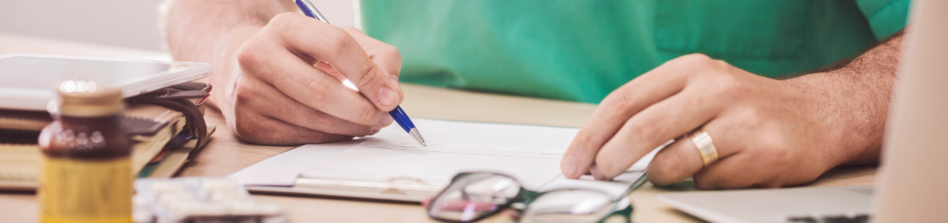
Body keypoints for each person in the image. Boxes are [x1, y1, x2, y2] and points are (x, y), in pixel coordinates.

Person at [163, 0, 910, 189]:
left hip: (717, 188)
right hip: (402, 179)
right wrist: (234, 56)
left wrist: (833, 106)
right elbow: (203, 8)